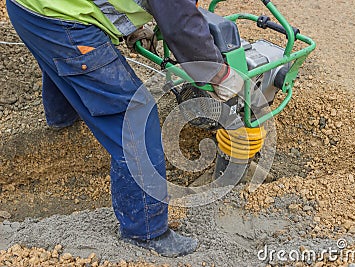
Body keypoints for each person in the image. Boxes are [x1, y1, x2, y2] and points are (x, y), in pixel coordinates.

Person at [6, 0, 242, 257]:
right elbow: (181, 23)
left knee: (63, 58)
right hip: (60, 18)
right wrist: (217, 72)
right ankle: (146, 231)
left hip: (28, 8)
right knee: (137, 113)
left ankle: (62, 116)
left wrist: (127, 27)